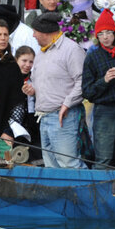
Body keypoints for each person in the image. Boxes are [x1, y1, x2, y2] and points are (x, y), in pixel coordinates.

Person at [30, 10, 87, 168]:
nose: (33, 35)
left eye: (35, 31)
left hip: (64, 117)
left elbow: (82, 80)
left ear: (45, 32)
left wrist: (67, 104)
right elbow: (39, 82)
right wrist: (32, 88)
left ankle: (85, 193)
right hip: (44, 117)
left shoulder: (72, 50)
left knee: (69, 164)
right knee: (51, 166)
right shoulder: (41, 53)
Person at [81, 9, 115, 170]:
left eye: (108, 32)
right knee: (103, 158)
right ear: (97, 36)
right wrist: (104, 81)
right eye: (101, 34)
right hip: (103, 110)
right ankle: (99, 193)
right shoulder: (93, 57)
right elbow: (87, 92)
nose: (105, 37)